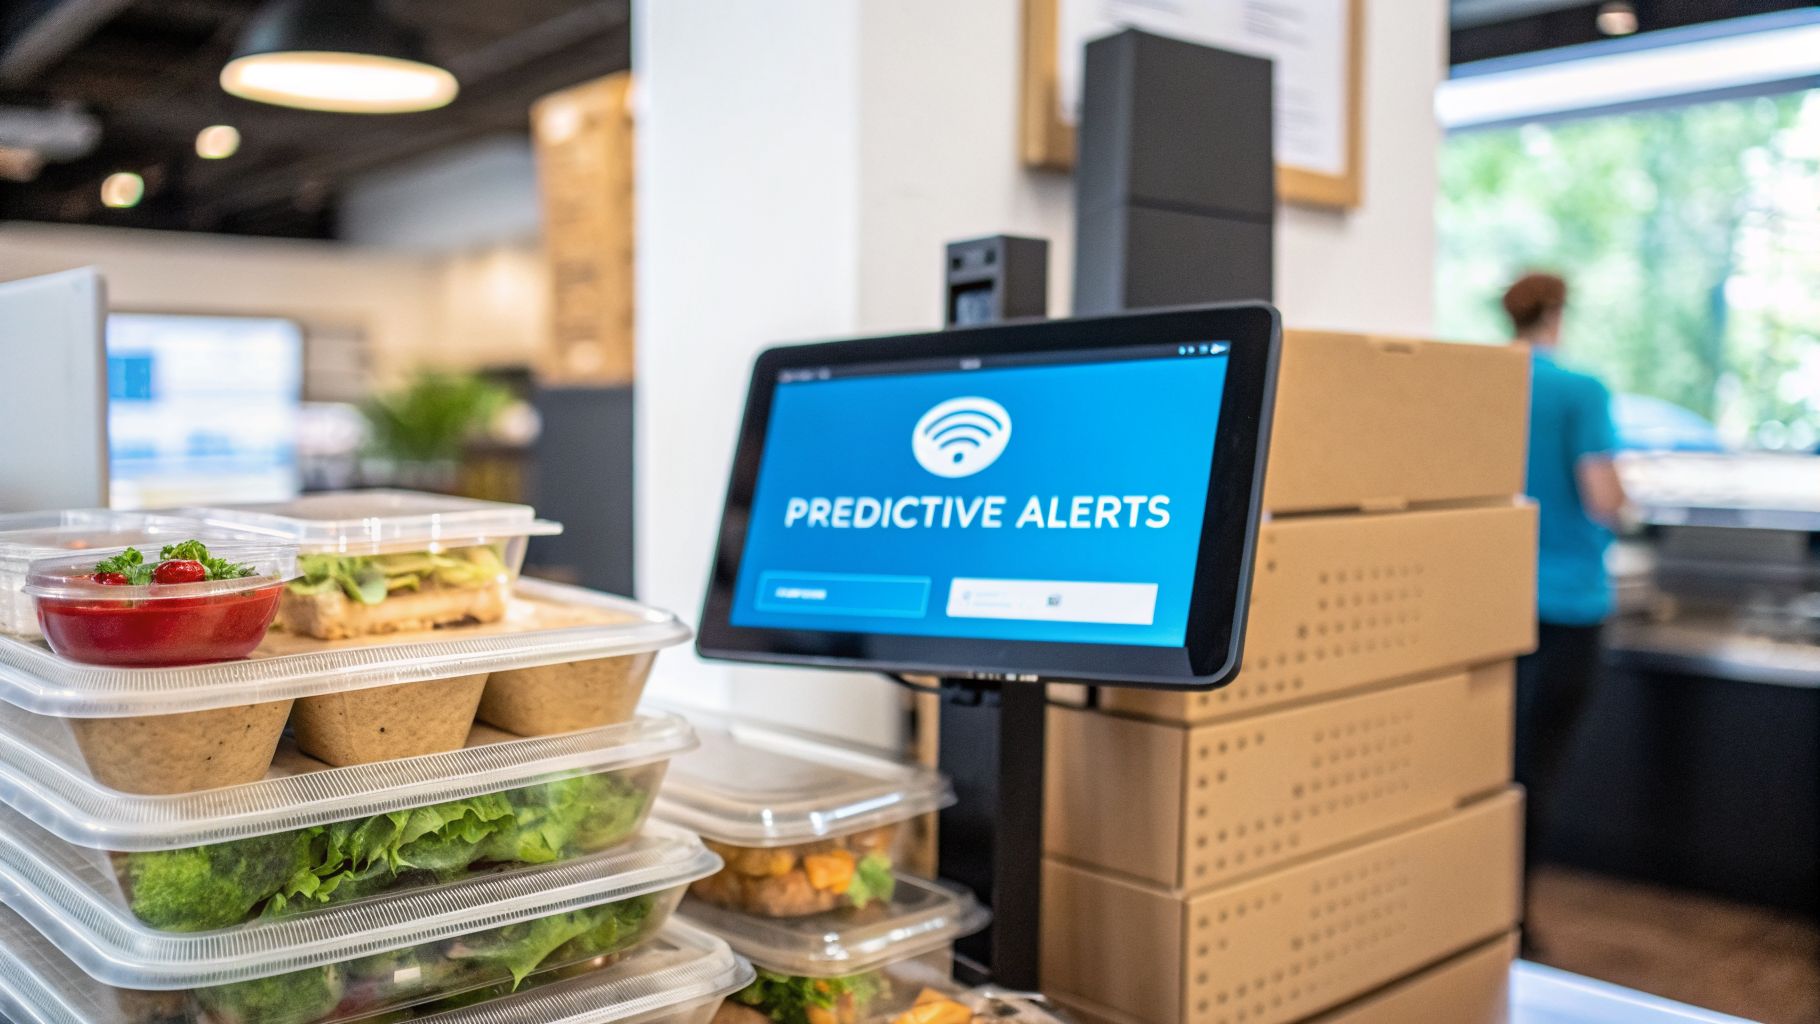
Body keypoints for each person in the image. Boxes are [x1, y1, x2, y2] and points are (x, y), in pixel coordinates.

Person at [1505, 271, 1627, 952]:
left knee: (1488, 768)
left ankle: (1470, 915)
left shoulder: (1484, 380)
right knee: (1535, 771)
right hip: (1567, 605)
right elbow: (1603, 496)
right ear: (1556, 312)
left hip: (1492, 603)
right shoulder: (1580, 390)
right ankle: (1515, 923)